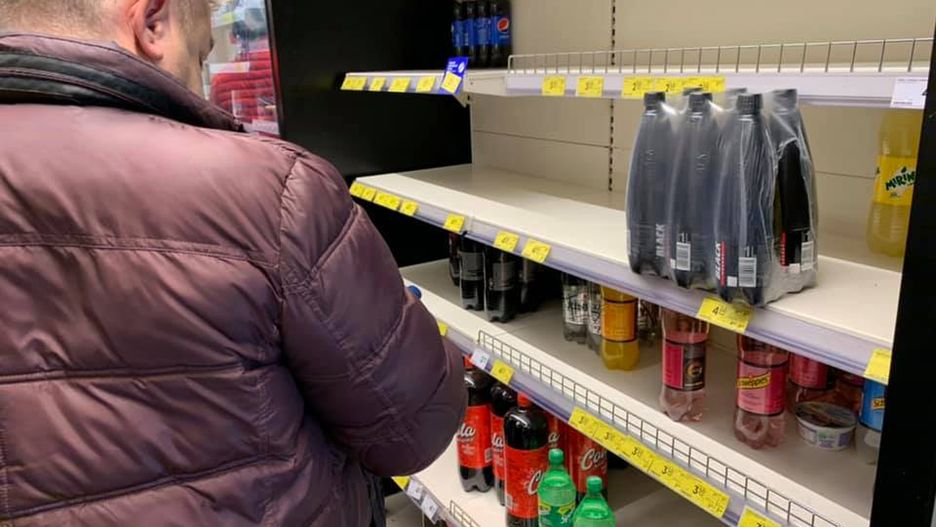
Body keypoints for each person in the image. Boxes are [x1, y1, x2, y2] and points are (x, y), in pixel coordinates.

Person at [0, 1, 466, 526]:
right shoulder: (271, 192)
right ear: (151, 21)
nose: (203, 84)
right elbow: (413, 429)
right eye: (201, 57)